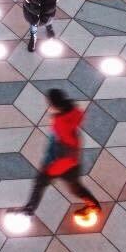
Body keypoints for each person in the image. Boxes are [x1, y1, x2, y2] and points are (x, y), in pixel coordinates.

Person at [15, 88, 100, 219]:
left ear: (54, 105)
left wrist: (49, 170)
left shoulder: (60, 124)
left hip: (62, 162)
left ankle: (29, 210)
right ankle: (94, 206)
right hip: (73, 158)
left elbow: (62, 152)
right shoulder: (73, 111)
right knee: (75, 187)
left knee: (40, 183)